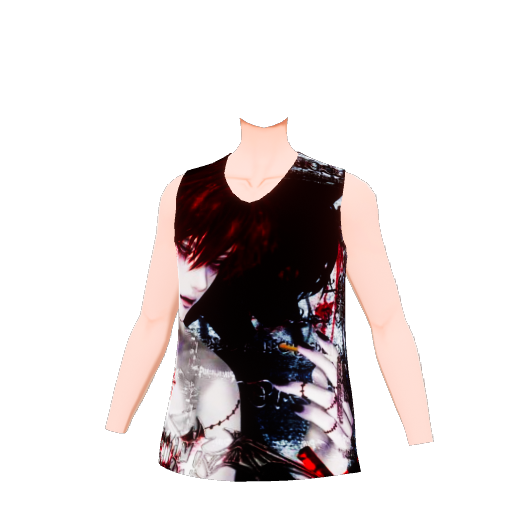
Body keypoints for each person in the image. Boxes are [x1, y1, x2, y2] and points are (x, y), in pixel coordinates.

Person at [106, 115, 433, 482]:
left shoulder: (345, 192)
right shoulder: (182, 192)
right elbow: (152, 321)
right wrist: (114, 429)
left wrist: (421, 440)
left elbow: (388, 323)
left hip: (315, 459)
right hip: (195, 463)